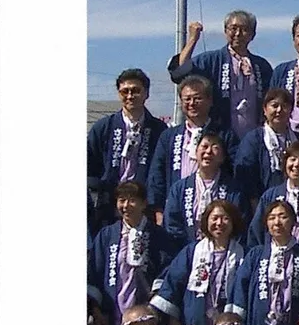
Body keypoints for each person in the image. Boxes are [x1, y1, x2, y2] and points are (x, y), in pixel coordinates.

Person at [152, 200, 250, 325]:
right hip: (196, 324)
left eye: (225, 218)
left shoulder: (245, 255)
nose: (219, 223)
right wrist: (173, 319)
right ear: (206, 221)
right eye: (215, 218)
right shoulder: (192, 251)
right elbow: (174, 283)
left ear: (233, 222)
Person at [90, 181, 185, 325]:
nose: (126, 205)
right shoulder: (106, 235)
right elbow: (94, 272)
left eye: (132, 200)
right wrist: (95, 308)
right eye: (122, 200)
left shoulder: (158, 235)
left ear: (144, 203)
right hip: (113, 310)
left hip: (148, 310)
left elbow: (167, 271)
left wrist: (156, 302)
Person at [168, 13, 275, 139]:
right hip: (219, 137)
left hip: (253, 137)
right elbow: (180, 72)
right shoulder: (211, 60)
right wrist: (193, 39)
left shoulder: (261, 66)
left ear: (252, 35)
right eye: (233, 28)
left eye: (244, 29)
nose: (238, 34)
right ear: (225, 31)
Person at [149, 75, 237, 222]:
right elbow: (157, 175)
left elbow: (234, 170)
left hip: (215, 209)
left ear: (210, 100)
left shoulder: (224, 135)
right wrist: (158, 211)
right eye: (187, 99)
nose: (192, 103)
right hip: (177, 207)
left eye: (197, 98)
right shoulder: (168, 136)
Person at [88, 68, 168, 230]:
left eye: (136, 91)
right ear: (119, 94)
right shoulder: (103, 127)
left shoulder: (159, 130)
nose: (130, 96)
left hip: (144, 206)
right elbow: (90, 166)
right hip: (109, 206)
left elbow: (161, 171)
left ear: (146, 94)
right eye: (125, 91)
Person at [163, 132, 251, 243]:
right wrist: (190, 252)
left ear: (223, 157)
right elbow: (172, 225)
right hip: (188, 254)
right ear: (196, 152)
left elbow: (240, 224)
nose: (208, 152)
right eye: (204, 147)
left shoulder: (234, 190)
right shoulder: (179, 188)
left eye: (215, 148)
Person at [233, 88, 299, 205]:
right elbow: (245, 178)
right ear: (265, 109)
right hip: (262, 204)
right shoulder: (254, 139)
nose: (279, 110)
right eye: (274, 106)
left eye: (284, 106)